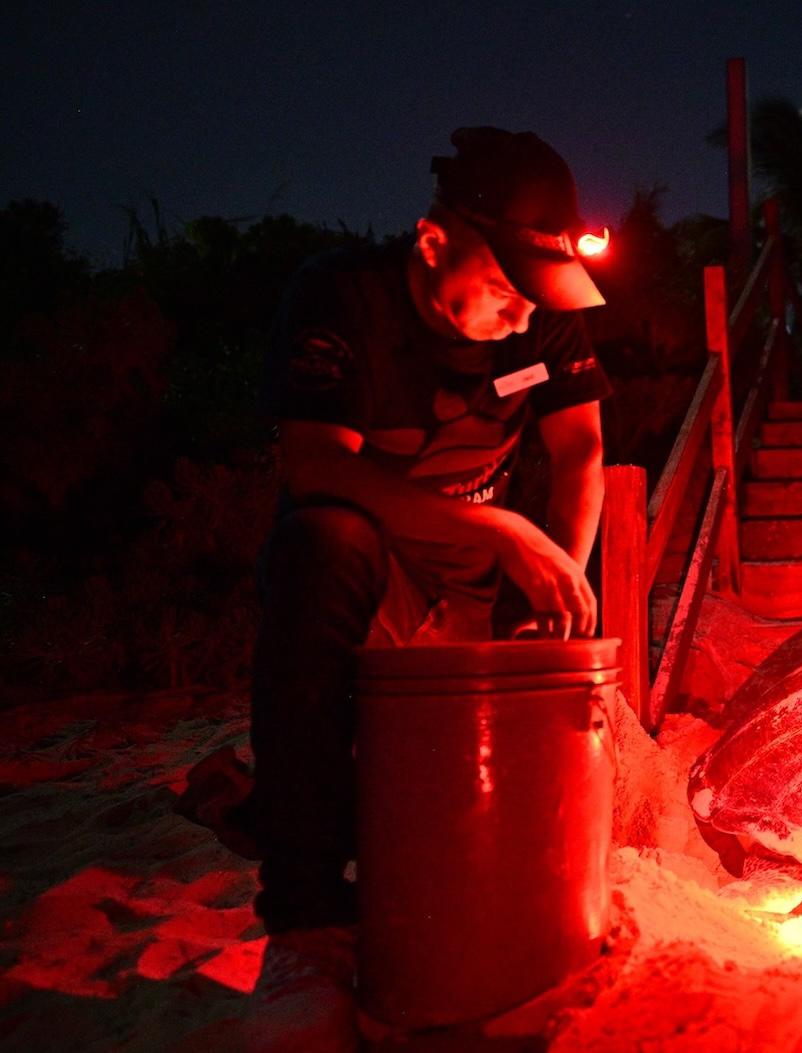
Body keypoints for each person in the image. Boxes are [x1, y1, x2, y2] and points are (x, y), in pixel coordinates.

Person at [240, 126, 614, 1045]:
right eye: (501, 292)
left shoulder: (541, 317)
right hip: (380, 573)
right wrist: (496, 525)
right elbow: (315, 464)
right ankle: (308, 930)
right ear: (433, 240)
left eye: (538, 298)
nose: (524, 318)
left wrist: (556, 582)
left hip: (481, 585)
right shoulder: (343, 298)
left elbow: (580, 450)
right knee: (318, 542)